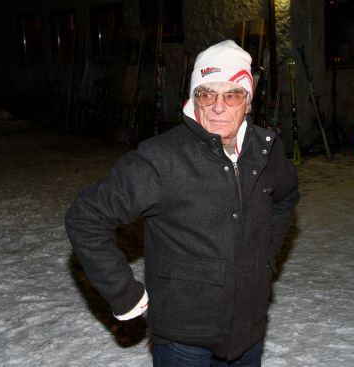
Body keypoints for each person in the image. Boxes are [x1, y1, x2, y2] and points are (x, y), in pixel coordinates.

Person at [66, 40, 299, 366]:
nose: (218, 106)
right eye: (208, 94)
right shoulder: (161, 159)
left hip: (248, 330)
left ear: (247, 102)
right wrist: (123, 293)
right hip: (183, 336)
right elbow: (87, 216)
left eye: (231, 95)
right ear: (194, 100)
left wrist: (263, 254)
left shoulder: (266, 150)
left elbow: (286, 198)